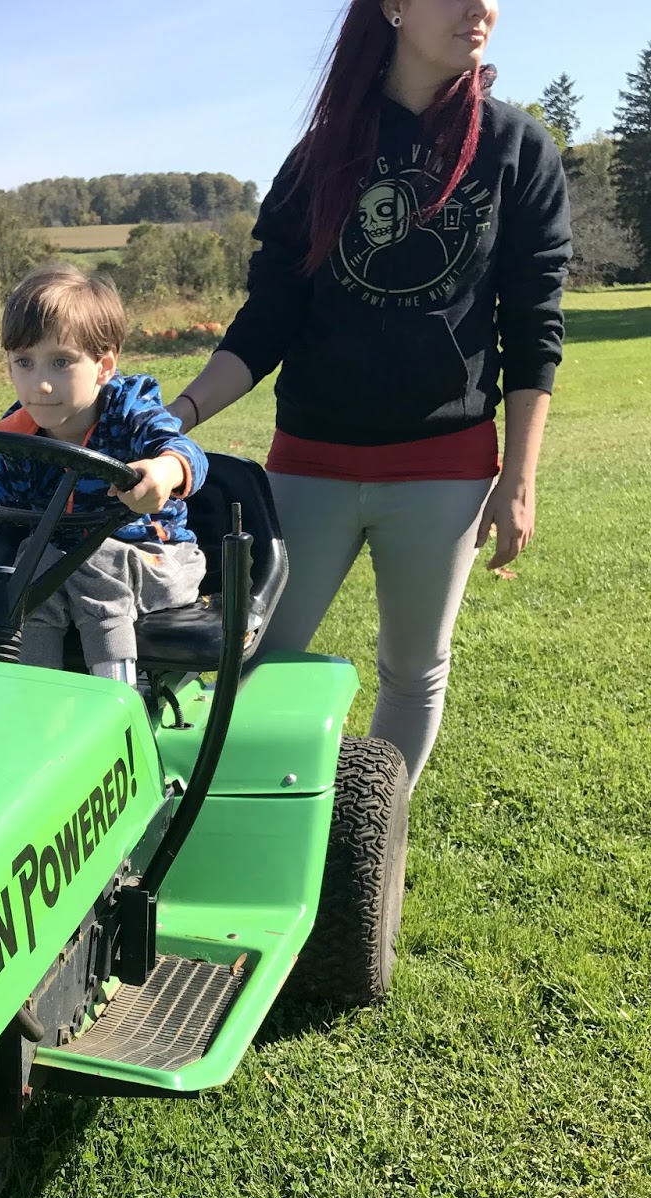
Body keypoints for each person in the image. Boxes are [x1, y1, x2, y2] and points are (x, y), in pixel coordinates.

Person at [169, 0, 571, 786]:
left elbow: (534, 329)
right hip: (309, 464)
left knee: (414, 670)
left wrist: (518, 481)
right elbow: (268, 322)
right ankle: (238, 827)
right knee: (252, 658)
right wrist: (174, 419)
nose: (481, 7)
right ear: (392, 6)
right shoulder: (321, 157)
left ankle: (375, 847)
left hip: (445, 470)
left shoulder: (518, 150)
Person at [0, 265, 207, 684]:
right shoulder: (13, 443)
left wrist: (165, 471)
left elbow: (186, 452)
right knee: (28, 573)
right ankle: (37, 703)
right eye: (25, 362)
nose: (40, 384)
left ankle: (117, 701)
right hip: (58, 574)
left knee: (96, 561)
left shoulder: (130, 412)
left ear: (104, 365)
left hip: (159, 564)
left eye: (61, 362)